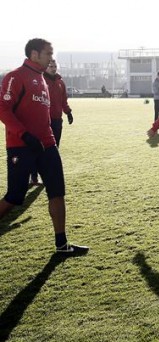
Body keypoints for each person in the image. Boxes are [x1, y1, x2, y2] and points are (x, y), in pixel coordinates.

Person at [0, 38, 88, 253]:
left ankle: (62, 244)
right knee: (15, 196)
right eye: (48, 53)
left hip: (47, 145)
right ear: (34, 54)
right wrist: (24, 135)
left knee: (57, 192)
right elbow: (3, 109)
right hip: (21, 146)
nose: (51, 57)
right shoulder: (16, 76)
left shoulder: (44, 80)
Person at [29, 59, 75, 186]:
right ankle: (33, 177)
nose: (53, 68)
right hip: (42, 121)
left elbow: (63, 100)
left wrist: (68, 112)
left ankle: (47, 175)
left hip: (56, 121)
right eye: (50, 66)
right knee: (39, 148)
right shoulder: (39, 80)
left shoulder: (60, 82)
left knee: (53, 149)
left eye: (54, 66)